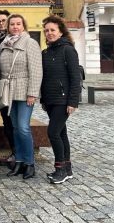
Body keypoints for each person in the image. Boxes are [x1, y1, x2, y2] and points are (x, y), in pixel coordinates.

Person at [0, 14, 43, 180]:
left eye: (18, 24)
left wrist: (32, 93)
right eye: (12, 24)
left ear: (23, 26)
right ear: (8, 27)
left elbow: (36, 70)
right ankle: (19, 161)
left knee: (23, 127)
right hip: (9, 90)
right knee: (15, 128)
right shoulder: (5, 43)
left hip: (24, 90)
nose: (15, 27)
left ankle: (29, 162)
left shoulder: (30, 43)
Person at [41, 15, 81, 184]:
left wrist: (73, 102)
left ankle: (60, 170)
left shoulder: (68, 50)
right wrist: (43, 99)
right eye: (46, 31)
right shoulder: (46, 52)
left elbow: (75, 78)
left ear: (61, 31)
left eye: (52, 30)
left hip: (63, 100)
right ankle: (67, 168)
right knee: (62, 133)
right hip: (50, 100)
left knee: (53, 132)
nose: (49, 33)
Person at [0, 9, 15, 166]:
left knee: (16, 124)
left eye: (3, 20)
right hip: (1, 87)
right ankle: (15, 153)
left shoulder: (14, 39)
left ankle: (19, 155)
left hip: (13, 87)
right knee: (7, 123)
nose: (1, 23)